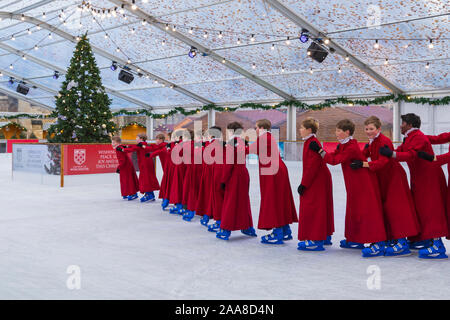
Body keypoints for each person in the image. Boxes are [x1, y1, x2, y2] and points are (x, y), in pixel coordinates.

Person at [310, 119, 387, 258]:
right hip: (353, 184)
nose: (336, 133)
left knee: (367, 211)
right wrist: (322, 153)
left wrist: (320, 151)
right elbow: (333, 155)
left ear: (347, 132)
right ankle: (356, 238)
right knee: (355, 210)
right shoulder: (344, 145)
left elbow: (334, 161)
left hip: (363, 184)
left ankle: (378, 242)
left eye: (339, 131)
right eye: (336, 130)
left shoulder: (351, 147)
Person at [379, 113, 448, 259]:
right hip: (419, 178)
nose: (400, 125)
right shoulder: (412, 136)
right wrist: (385, 153)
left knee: (431, 209)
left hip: (430, 177)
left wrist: (391, 154)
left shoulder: (418, 137)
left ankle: (438, 245)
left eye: (403, 123)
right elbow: (401, 151)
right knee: (421, 208)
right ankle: (424, 238)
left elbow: (410, 155)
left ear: (409, 124)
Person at [350, 116, 420, 256]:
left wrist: (363, 164)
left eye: (371, 129)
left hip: (394, 179)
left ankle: (401, 242)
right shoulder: (372, 142)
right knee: (387, 209)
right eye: (366, 129)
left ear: (378, 129)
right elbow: (364, 154)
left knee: (397, 210)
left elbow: (383, 162)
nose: (368, 131)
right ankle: (392, 238)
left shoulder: (384, 141)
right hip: (384, 179)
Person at [247, 119, 298, 245]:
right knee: (279, 199)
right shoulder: (269, 137)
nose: (255, 130)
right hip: (278, 170)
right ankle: (285, 230)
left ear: (262, 127)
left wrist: (232, 147)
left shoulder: (263, 138)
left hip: (272, 172)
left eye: (256, 127)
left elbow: (250, 150)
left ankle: (278, 232)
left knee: (272, 199)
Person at [296, 118, 334, 251]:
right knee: (320, 206)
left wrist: (304, 184)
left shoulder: (312, 142)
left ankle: (316, 239)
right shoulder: (310, 142)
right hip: (320, 177)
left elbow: (312, 166)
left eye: (301, 128)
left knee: (313, 207)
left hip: (317, 180)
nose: (299, 130)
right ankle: (325, 235)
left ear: (309, 130)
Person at [216, 122, 256, 240]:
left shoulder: (231, 143)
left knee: (230, 201)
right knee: (243, 200)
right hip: (243, 173)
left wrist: (223, 180)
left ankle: (226, 229)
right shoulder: (242, 141)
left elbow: (229, 164)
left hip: (234, 175)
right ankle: (247, 226)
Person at [124, 133, 160, 202]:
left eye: (137, 138)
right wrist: (127, 146)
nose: (136, 139)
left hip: (145, 164)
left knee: (146, 179)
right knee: (147, 178)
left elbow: (132, 149)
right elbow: (134, 147)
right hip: (146, 164)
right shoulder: (143, 144)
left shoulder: (142, 145)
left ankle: (149, 194)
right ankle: (150, 194)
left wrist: (123, 149)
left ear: (141, 138)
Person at [195, 127, 220, 227]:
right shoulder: (210, 144)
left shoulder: (213, 144)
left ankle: (210, 214)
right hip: (208, 171)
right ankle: (208, 213)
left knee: (210, 194)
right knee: (208, 194)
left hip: (211, 172)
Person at [111, 136, 139, 201]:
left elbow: (122, 160)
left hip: (125, 166)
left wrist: (119, 167)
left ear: (117, 143)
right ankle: (127, 193)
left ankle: (133, 194)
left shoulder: (118, 149)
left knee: (127, 180)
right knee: (126, 180)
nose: (112, 143)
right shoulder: (120, 147)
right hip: (127, 165)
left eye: (113, 142)